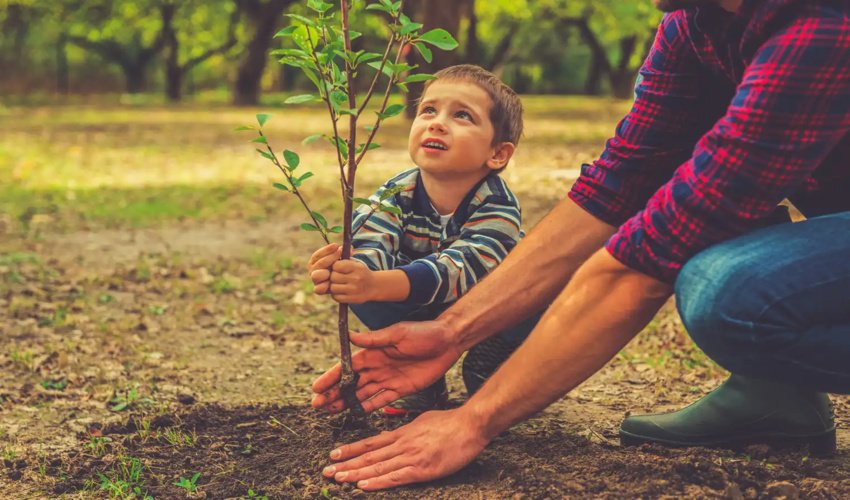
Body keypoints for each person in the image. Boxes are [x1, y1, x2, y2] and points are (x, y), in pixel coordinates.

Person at [309, 0, 850, 491]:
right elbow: (618, 184)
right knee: (714, 212)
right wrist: (451, 332)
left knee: (726, 293)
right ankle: (775, 393)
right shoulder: (691, 26)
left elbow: (656, 250)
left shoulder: (821, 24)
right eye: (428, 110)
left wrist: (474, 420)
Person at [307, 64, 542, 416]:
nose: (437, 123)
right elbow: (370, 238)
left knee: (537, 287)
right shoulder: (397, 191)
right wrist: (349, 272)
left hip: (487, 307)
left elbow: (462, 268)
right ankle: (422, 377)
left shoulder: (497, 204)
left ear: (497, 154)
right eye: (428, 110)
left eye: (462, 116)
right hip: (418, 302)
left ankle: (495, 358)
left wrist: (379, 282)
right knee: (364, 289)